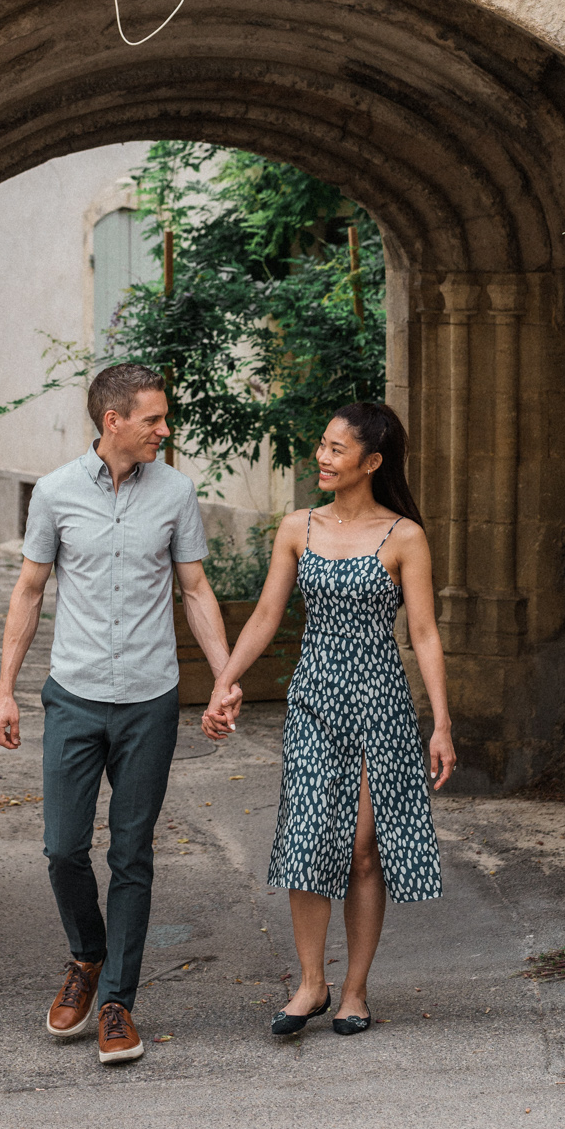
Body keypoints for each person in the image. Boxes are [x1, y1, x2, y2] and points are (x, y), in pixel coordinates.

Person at [0, 363, 232, 1066]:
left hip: (149, 699)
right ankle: (86, 956)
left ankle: (119, 1001)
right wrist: (4, 689)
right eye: (154, 419)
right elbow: (29, 591)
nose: (165, 429)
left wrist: (222, 678)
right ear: (113, 422)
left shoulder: (176, 492)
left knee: (131, 854)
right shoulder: (58, 493)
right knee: (63, 848)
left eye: (164, 417)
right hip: (74, 695)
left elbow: (194, 589)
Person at [202, 400, 455, 1037]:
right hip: (314, 700)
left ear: (371, 462)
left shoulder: (404, 537)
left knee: (364, 852)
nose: (323, 456)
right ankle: (310, 984)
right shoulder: (298, 527)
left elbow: (422, 632)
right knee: (309, 839)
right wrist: (224, 682)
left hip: (381, 705)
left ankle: (354, 991)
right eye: (322, 444)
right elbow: (265, 616)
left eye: (337, 449)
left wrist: (442, 723)